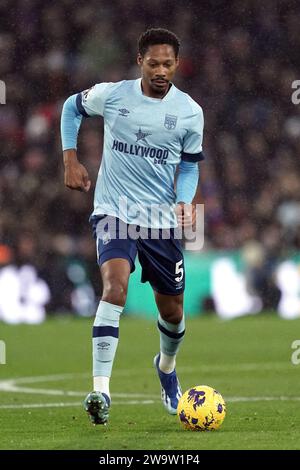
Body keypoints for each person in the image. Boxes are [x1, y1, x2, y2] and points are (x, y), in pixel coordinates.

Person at [60, 28, 204, 425]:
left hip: (160, 222)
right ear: (140, 60)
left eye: (168, 63)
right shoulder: (114, 95)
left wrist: (183, 201)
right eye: (154, 62)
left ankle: (167, 367)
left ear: (177, 64)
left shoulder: (190, 112)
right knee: (115, 288)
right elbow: (71, 108)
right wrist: (70, 158)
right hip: (114, 210)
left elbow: (190, 164)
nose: (161, 70)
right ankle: (101, 391)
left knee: (172, 312)